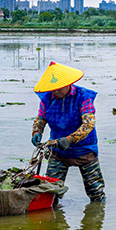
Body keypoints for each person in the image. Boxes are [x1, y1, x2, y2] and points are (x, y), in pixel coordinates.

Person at [31, 62, 106, 202]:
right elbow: (40, 119)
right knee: (50, 190)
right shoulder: (46, 99)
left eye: (58, 89)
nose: (55, 92)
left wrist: (70, 140)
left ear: (68, 84)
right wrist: (37, 131)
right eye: (52, 89)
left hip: (84, 150)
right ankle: (53, 215)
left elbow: (88, 124)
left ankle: (97, 215)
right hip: (58, 151)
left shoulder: (83, 97)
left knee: (95, 191)